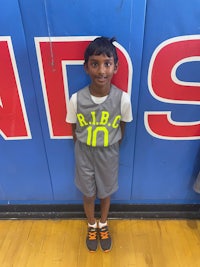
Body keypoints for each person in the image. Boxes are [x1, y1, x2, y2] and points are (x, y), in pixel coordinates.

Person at [66, 36, 133, 252]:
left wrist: (110, 144)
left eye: (107, 63)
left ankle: (103, 223)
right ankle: (91, 224)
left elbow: (122, 127)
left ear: (116, 67)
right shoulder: (76, 99)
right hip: (84, 152)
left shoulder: (123, 99)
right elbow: (74, 129)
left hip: (109, 153)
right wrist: (84, 146)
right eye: (95, 64)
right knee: (88, 193)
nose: (101, 70)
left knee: (105, 193)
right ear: (86, 68)